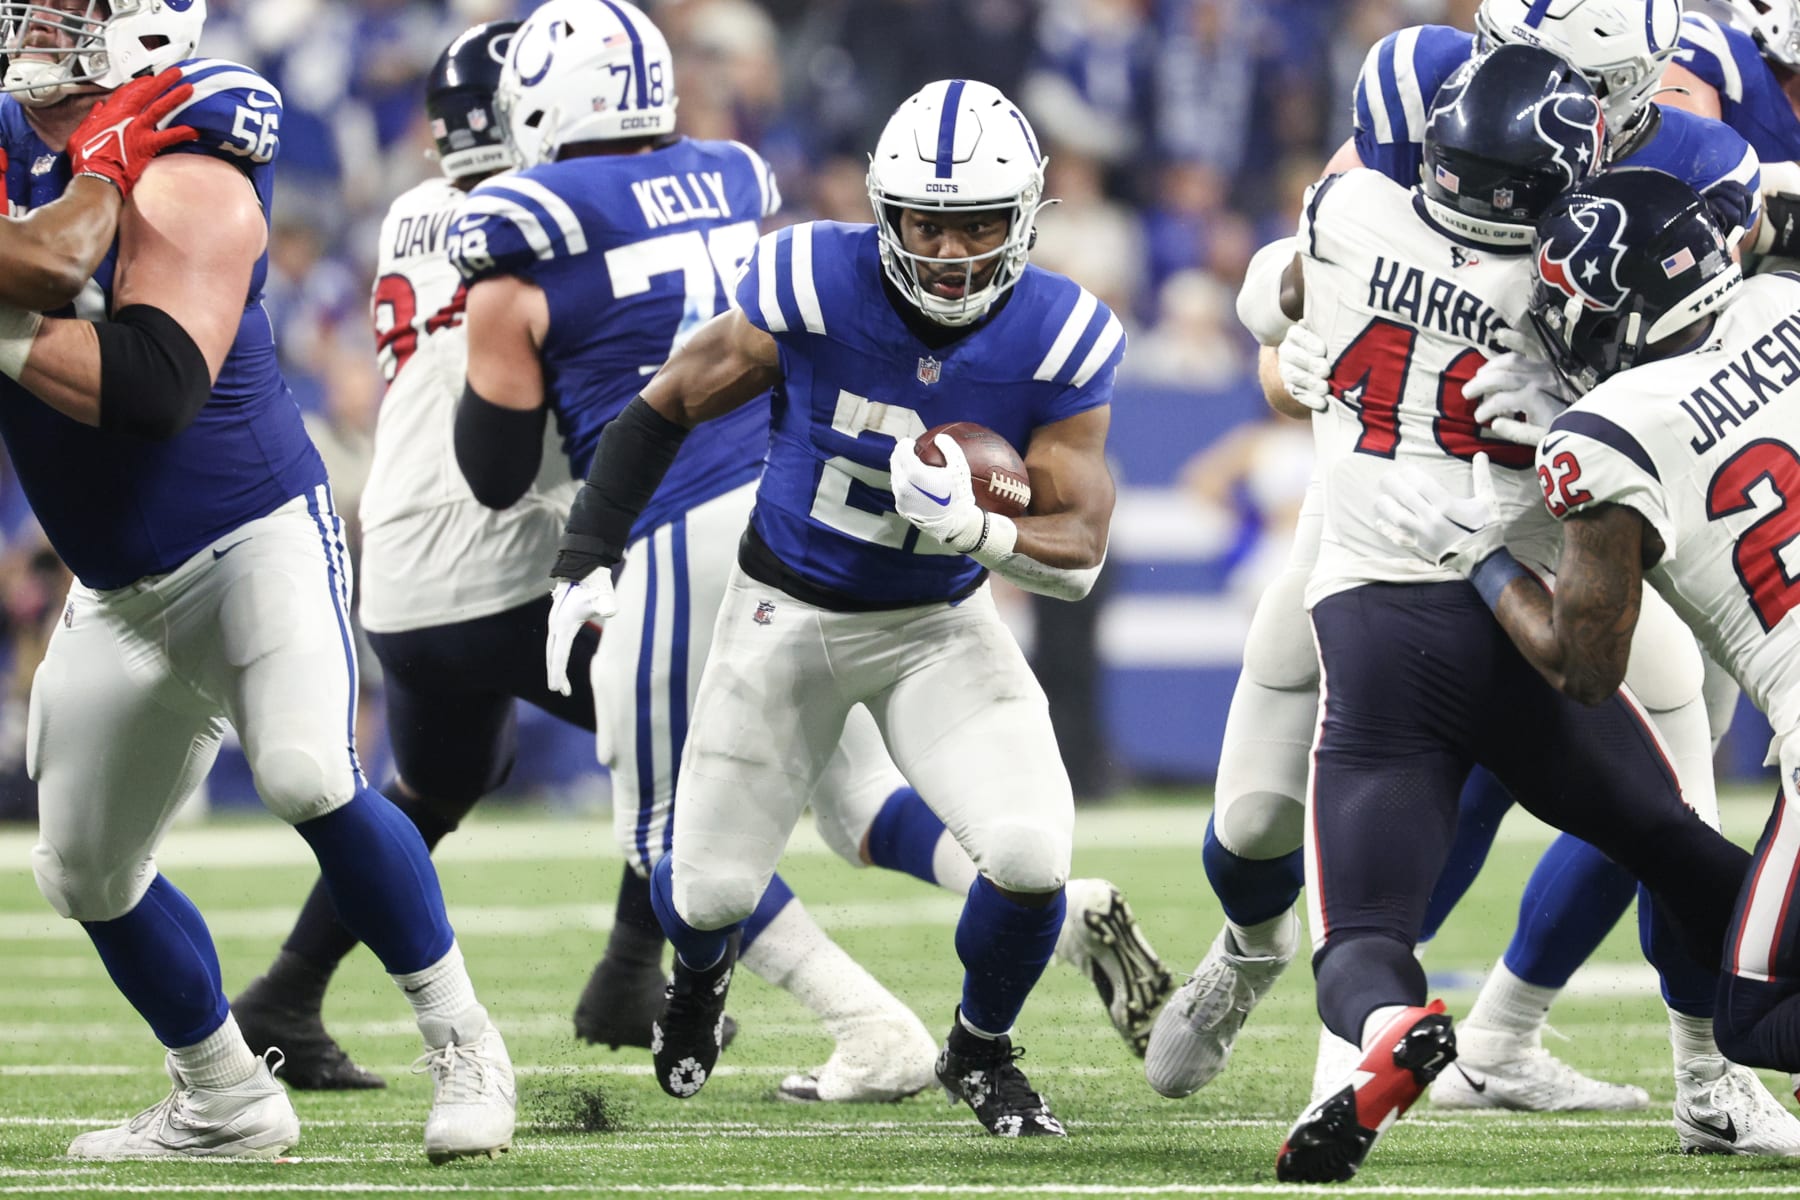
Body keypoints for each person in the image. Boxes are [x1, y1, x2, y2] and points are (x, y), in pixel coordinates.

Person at [452, 5, 1169, 1101]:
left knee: (1028, 855)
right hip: (781, 617)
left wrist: (981, 529)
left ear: (1024, 217)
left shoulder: (1062, 335)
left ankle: (978, 1049)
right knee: (701, 889)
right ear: (883, 214)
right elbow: (665, 403)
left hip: (938, 625)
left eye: (974, 224)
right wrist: (587, 550)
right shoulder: (812, 280)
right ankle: (694, 986)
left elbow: (1077, 550)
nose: (946, 250)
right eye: (924, 224)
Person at [1149, 0, 1764, 1117]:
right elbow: (1284, 341)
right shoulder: (1415, 92)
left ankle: (1709, 1073)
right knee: (1252, 824)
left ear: (1634, 88)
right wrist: (1295, 336)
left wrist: (1587, 399)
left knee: (1687, 810)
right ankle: (1248, 950)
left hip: (1571, 532)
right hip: (1378, 524)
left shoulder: (1695, 163)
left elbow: (1703, 378)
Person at [0, 0, 513, 1164]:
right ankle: (223, 1094)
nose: (37, 22)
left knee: (305, 770)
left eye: (70, 8)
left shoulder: (194, 146)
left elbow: (153, 385)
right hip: (115, 585)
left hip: (251, 534)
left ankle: (465, 1041)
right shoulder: (14, 135)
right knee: (79, 868)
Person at [225, 18, 684, 1091]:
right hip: (503, 557)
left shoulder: (415, 211)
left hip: (404, 559)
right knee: (685, 733)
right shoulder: (531, 224)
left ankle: (285, 993)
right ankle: (631, 969)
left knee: (437, 783)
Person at [1375, 162, 1800, 1102]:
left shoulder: (1605, 433)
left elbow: (1585, 671)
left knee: (1756, 1015)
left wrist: (1478, 555)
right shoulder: (1780, 305)